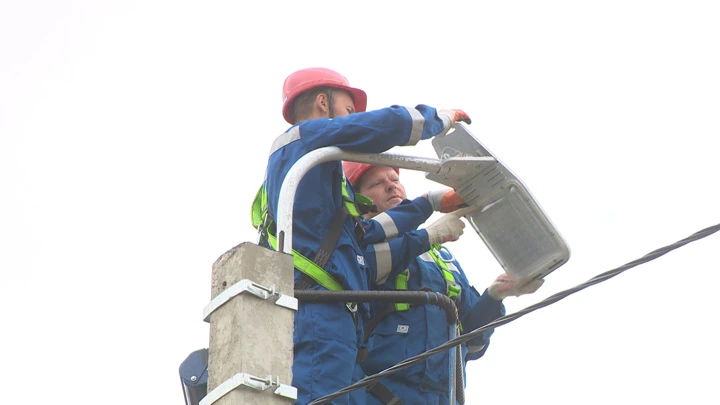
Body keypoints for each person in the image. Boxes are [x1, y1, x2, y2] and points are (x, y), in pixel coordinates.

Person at [256, 67, 473, 405]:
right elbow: (380, 126)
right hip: (320, 311)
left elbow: (366, 236)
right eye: (349, 108)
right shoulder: (303, 140)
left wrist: (430, 204)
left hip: (338, 318)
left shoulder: (320, 178)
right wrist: (435, 121)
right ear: (323, 102)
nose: (352, 116)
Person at [342, 162, 544, 405]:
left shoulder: (442, 258)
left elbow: (472, 342)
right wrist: (428, 236)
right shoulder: (353, 250)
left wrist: (494, 296)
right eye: (377, 183)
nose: (391, 187)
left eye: (395, 179)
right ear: (358, 200)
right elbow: (368, 268)